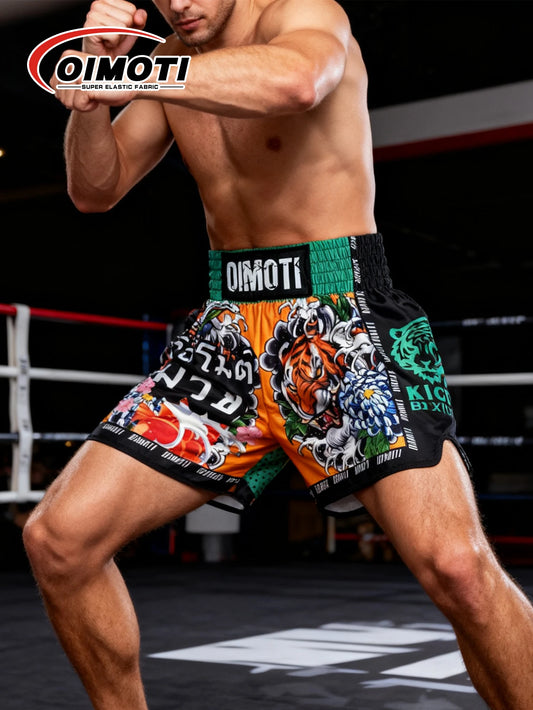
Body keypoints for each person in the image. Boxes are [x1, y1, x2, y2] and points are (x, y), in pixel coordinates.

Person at [23, 1, 533, 708]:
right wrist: (90, 99)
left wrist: (130, 72)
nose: (180, 4)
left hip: (340, 315)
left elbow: (294, 81)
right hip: (227, 332)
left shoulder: (302, 11)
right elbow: (94, 191)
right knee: (58, 540)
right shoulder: (169, 59)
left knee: (457, 568)